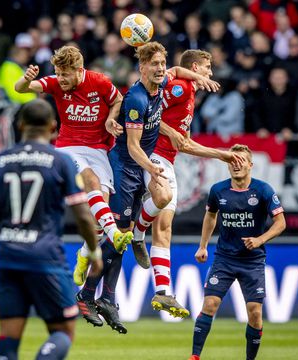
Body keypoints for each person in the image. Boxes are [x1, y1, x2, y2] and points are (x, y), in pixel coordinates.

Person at [78, 42, 219, 333]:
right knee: (117, 235)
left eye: (161, 64)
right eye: (153, 64)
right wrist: (152, 168)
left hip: (137, 165)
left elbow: (177, 70)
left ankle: (107, 298)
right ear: (141, 67)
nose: (159, 69)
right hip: (125, 166)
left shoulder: (164, 82)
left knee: (122, 236)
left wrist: (196, 76)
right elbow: (132, 147)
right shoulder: (137, 100)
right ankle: (87, 294)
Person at [0, 99, 103, 360]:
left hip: (8, 258)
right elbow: (82, 215)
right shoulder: (60, 161)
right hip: (46, 259)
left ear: (20, 125)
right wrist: (94, 252)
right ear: (54, 127)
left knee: (8, 338)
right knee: (63, 332)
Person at [134, 49, 245, 318]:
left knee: (165, 226)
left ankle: (162, 291)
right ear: (196, 67)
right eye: (208, 68)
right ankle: (137, 234)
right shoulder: (181, 88)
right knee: (161, 201)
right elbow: (146, 106)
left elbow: (185, 144)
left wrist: (222, 154)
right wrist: (168, 130)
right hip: (149, 153)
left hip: (166, 159)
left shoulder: (190, 96)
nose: (210, 74)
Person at [14, 45, 133, 290]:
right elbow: (22, 89)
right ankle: (116, 235)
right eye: (57, 73)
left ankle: (84, 254)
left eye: (65, 74)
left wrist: (111, 119)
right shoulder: (56, 84)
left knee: (101, 209)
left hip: (99, 149)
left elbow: (118, 100)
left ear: (79, 70)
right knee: (90, 182)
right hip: (68, 148)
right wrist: (25, 80)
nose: (60, 79)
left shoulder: (99, 82)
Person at [189, 144, 286, 360]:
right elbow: (211, 216)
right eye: (232, 160)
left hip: (253, 261)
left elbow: (281, 223)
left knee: (255, 312)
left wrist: (260, 239)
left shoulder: (263, 190)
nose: (236, 164)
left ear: (251, 165)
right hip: (224, 258)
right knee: (210, 304)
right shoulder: (218, 190)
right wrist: (203, 245)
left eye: (241, 160)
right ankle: (194, 357)